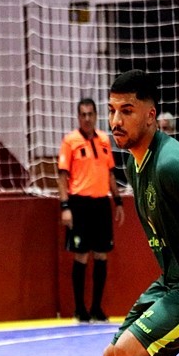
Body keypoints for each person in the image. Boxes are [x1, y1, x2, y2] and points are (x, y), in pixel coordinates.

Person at [103, 69, 179, 356]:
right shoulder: (135, 160)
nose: (116, 120)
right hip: (170, 281)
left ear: (151, 115)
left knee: (130, 352)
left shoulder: (170, 164)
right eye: (112, 110)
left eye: (127, 110)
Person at [57, 97, 125, 322]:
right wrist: (65, 206)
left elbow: (111, 173)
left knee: (101, 254)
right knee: (81, 255)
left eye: (90, 114)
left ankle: (96, 307)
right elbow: (62, 176)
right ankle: (80, 309)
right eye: (83, 114)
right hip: (79, 204)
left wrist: (118, 201)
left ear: (96, 116)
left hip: (101, 204)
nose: (87, 118)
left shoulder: (104, 139)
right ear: (78, 117)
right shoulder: (70, 141)